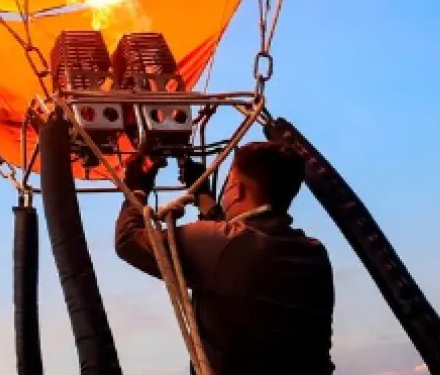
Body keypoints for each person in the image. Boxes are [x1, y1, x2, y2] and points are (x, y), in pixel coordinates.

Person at [114, 142, 335, 375]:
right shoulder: (314, 254)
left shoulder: (221, 245)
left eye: (228, 183)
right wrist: (204, 198)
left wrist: (138, 187)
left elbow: (128, 240)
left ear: (237, 190)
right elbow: (240, 247)